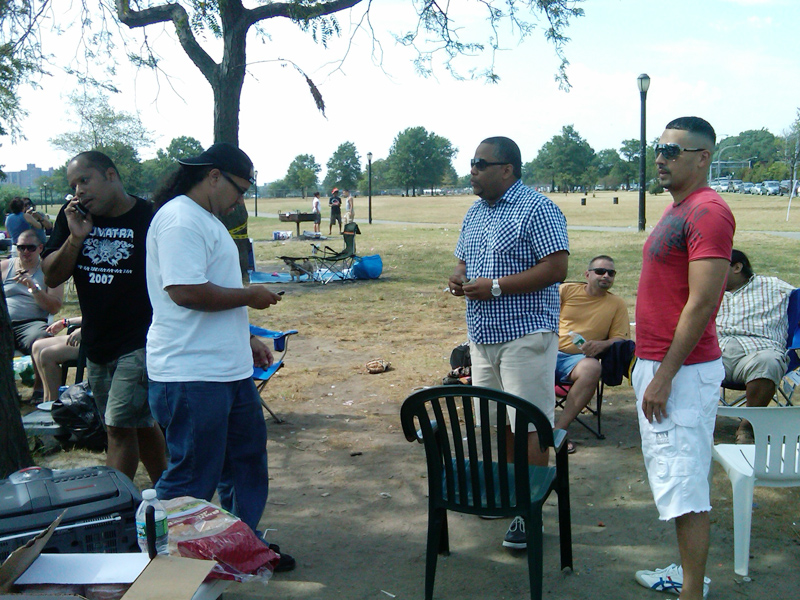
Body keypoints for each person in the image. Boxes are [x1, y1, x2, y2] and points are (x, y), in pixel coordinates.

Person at [146, 142, 294, 571]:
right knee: (194, 474)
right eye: (239, 189)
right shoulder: (179, 219)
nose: (240, 201)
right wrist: (250, 295)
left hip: (227, 371)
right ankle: (164, 565)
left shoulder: (204, 219)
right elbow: (186, 292)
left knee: (245, 463)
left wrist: (245, 335)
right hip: (190, 372)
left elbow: (211, 287)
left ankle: (239, 547)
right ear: (213, 176)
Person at [448, 136, 569, 550]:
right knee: (497, 422)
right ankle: (509, 493)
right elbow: (464, 260)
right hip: (482, 337)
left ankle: (528, 512)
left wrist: (496, 287)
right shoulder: (475, 212)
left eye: (480, 163)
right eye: (472, 162)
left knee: (530, 426)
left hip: (525, 335)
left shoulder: (537, 208)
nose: (473, 170)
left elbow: (556, 268)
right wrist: (458, 276)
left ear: (507, 169)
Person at [632, 117, 735, 600]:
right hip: (661, 366)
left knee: (687, 488)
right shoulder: (680, 207)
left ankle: (692, 591)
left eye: (672, 151)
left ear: (702, 157)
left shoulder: (709, 212)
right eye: (658, 149)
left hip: (683, 374)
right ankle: (685, 575)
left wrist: (665, 375)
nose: (660, 158)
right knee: (675, 481)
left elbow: (702, 303)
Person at [41, 150, 167, 486]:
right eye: (73, 185)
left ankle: (111, 506)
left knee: (118, 428)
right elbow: (52, 275)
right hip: (97, 343)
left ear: (111, 175)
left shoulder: (150, 217)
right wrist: (75, 237)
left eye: (85, 180)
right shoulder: (72, 216)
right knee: (140, 424)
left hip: (141, 340)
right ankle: (171, 494)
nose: (79, 191)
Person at [716, 248, 795, 443]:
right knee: (682, 360)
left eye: (717, 267)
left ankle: (747, 426)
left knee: (768, 361)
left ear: (737, 267)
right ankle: (692, 425)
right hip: (715, 352)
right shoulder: (708, 289)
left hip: (759, 350)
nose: (710, 271)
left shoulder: (773, 286)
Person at [555, 255, 629, 452]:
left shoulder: (616, 304)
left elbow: (621, 338)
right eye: (600, 271)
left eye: (611, 273)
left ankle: (559, 430)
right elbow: (541, 315)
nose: (606, 276)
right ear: (587, 274)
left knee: (592, 368)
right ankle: (525, 429)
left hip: (577, 360)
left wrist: (603, 345)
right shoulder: (566, 290)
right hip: (547, 351)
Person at [1, 229, 64, 401]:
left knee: (42, 339)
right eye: (21, 247)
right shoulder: (5, 267)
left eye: (31, 247)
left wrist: (34, 288)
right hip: (5, 322)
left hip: (32, 323)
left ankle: (39, 387)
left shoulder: (49, 271)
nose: (25, 252)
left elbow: (54, 307)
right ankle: (7, 392)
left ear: (40, 248)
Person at [31, 316, 82, 402]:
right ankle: (46, 398)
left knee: (47, 355)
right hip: (88, 331)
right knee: (37, 346)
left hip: (98, 340)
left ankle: (54, 401)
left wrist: (83, 330)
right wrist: (65, 322)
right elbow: (91, 317)